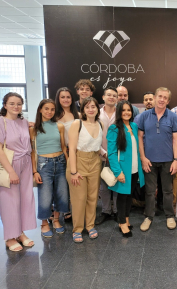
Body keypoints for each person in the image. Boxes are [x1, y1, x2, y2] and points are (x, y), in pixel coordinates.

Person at [0, 92, 36, 251]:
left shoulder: (23, 122)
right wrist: (10, 171)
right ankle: (10, 237)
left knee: (24, 199)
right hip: (9, 164)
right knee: (9, 201)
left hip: (26, 163)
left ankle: (20, 232)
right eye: (12, 103)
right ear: (5, 105)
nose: (16, 106)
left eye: (19, 104)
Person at [137, 87, 177, 231]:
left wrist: (176, 160)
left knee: (167, 190)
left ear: (168, 101)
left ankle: (169, 216)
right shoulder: (144, 116)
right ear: (155, 98)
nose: (161, 99)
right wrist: (143, 158)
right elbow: (140, 137)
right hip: (149, 160)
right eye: (159, 96)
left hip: (168, 160)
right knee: (149, 191)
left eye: (165, 98)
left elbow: (176, 139)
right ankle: (149, 216)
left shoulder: (172, 116)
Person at [66, 97, 103, 243]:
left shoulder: (100, 124)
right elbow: (72, 149)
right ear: (83, 109)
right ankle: (77, 229)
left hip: (95, 162)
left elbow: (97, 146)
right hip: (78, 162)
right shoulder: (77, 123)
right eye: (87, 107)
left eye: (93, 106)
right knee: (79, 198)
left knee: (92, 197)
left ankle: (90, 225)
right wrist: (73, 172)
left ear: (97, 108)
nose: (91, 109)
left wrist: (107, 155)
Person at [106, 101, 145, 237]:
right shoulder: (114, 129)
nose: (127, 113)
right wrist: (118, 172)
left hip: (134, 169)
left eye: (129, 110)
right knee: (122, 197)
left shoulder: (134, 126)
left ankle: (126, 219)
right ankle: (121, 222)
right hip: (122, 169)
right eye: (124, 110)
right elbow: (111, 153)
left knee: (129, 196)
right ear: (119, 112)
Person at [31, 99, 68, 237]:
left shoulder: (59, 126)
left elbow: (64, 147)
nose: (49, 112)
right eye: (46, 109)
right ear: (40, 109)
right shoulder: (33, 128)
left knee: (61, 193)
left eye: (52, 109)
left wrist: (69, 165)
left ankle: (56, 219)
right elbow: (33, 151)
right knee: (45, 195)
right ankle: (45, 223)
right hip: (43, 164)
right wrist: (34, 171)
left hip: (60, 162)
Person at [55, 87, 80, 221]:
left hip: (73, 153)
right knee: (60, 183)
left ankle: (72, 208)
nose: (65, 99)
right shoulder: (54, 115)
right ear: (58, 99)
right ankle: (61, 210)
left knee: (73, 181)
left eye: (68, 97)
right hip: (57, 153)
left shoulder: (78, 115)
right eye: (62, 97)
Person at [95, 86, 119, 225]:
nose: (111, 97)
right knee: (103, 186)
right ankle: (105, 211)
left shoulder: (120, 114)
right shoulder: (96, 114)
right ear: (103, 97)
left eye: (114, 95)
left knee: (116, 183)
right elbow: (91, 136)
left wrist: (114, 154)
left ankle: (116, 211)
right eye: (108, 95)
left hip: (117, 155)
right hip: (100, 154)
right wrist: (104, 153)